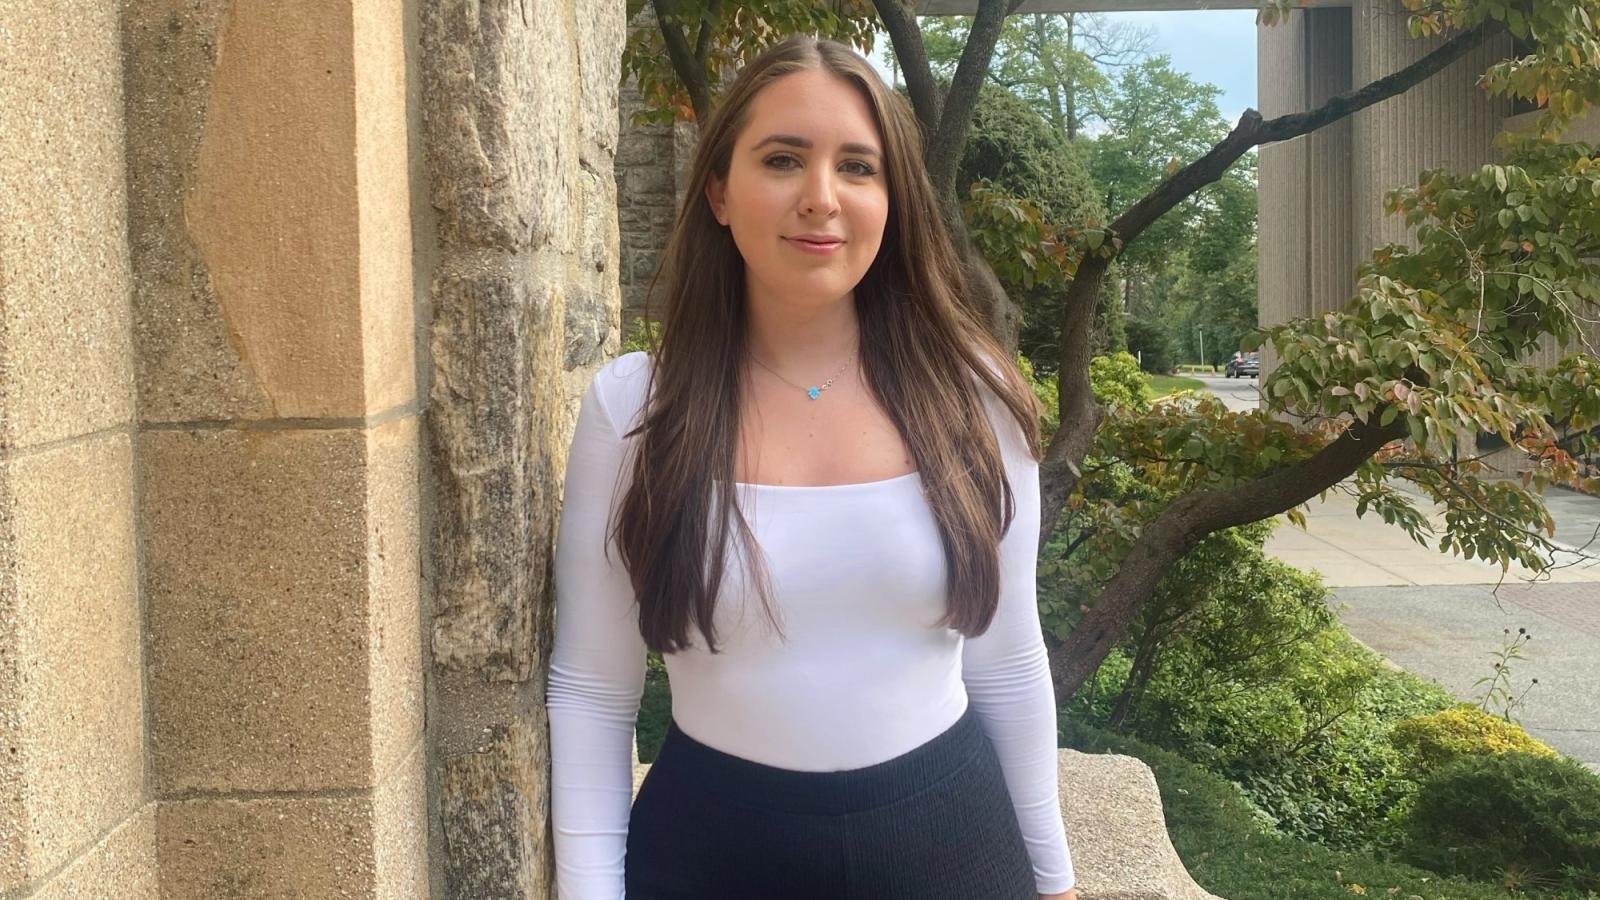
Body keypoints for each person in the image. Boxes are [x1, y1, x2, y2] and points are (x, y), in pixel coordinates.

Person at [547, 33, 1079, 900]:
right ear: (719, 190)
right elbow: (590, 692)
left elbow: (1010, 660)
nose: (821, 199)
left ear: (894, 199)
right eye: (783, 159)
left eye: (859, 167)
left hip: (953, 851)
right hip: (707, 855)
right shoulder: (637, 409)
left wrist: (1055, 880)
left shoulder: (973, 397)